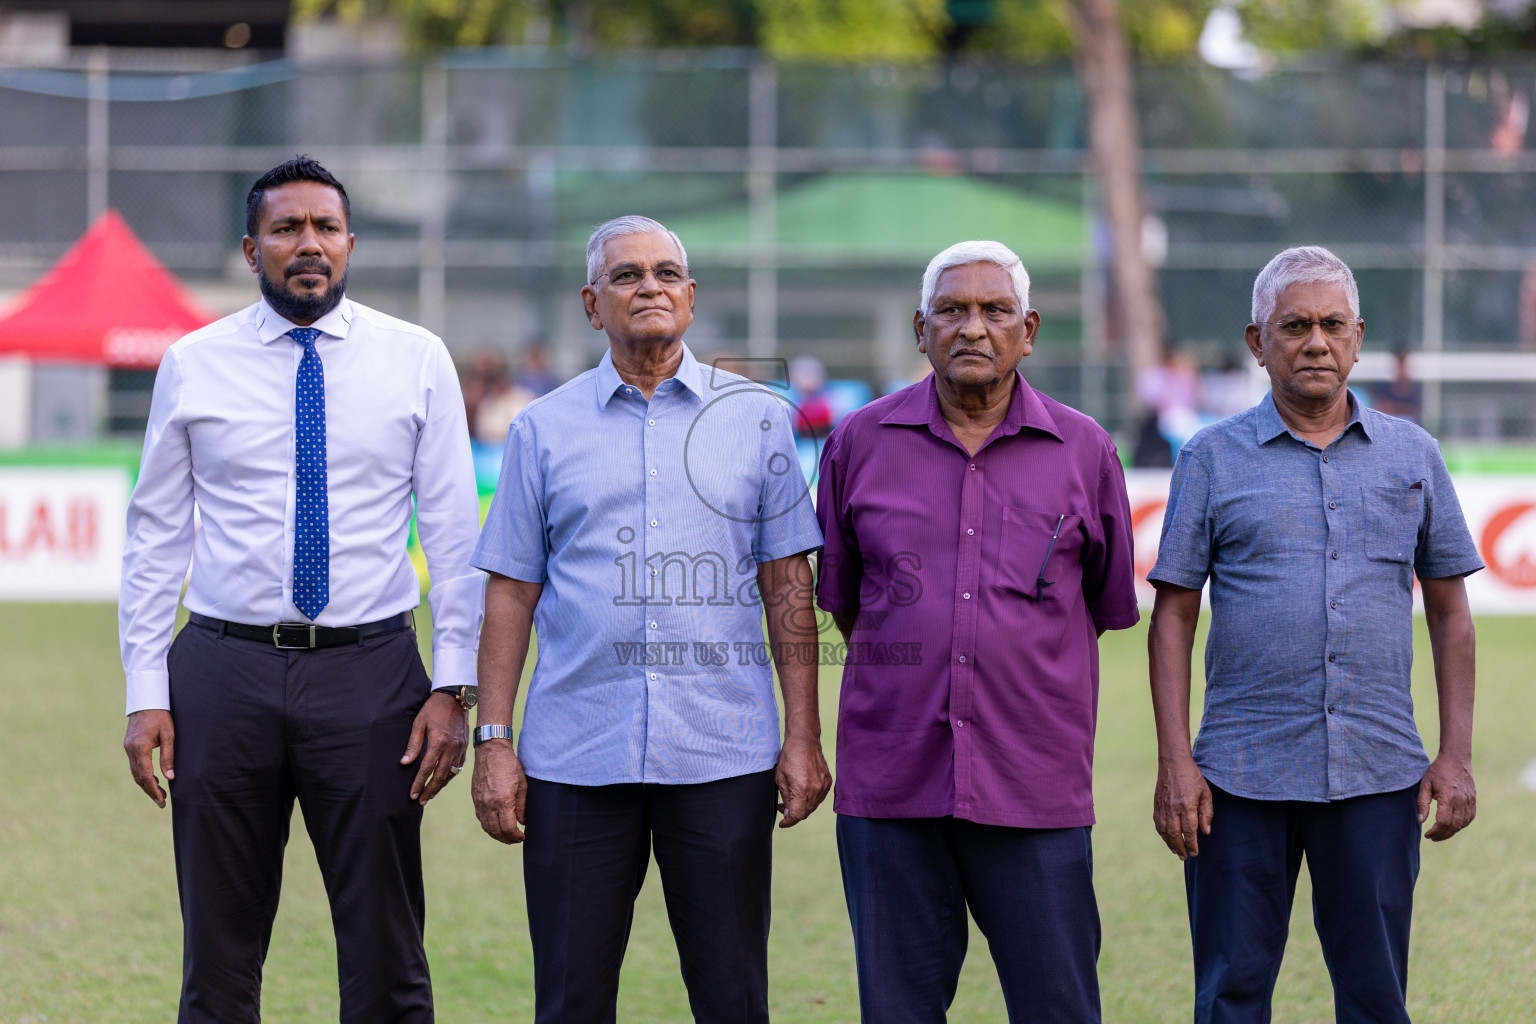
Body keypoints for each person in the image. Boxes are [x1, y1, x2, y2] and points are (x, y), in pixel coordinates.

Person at [119, 156, 484, 1024]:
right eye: (286, 229)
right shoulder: (193, 362)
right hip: (221, 672)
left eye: (325, 226)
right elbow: (155, 536)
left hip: (371, 673)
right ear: (252, 249)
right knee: (219, 953)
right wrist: (144, 693)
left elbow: (455, 536)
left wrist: (452, 686)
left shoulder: (417, 359)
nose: (307, 244)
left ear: (351, 243)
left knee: (387, 954)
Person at [469, 215, 830, 1024]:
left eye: (667, 273)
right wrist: (494, 741)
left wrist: (803, 736)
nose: (650, 288)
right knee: (569, 1000)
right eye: (627, 275)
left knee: (733, 998)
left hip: (723, 757)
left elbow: (788, 587)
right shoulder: (541, 428)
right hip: (574, 763)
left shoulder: (760, 419)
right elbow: (510, 593)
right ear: (592, 303)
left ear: (692, 298)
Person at [1147, 246, 1482, 1024]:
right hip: (1236, 779)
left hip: (1376, 771)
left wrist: (1456, 755)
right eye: (1293, 325)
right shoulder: (1210, 458)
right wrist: (1175, 765)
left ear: (1359, 338)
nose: (1316, 342)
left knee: (1374, 999)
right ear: (1257, 342)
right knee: (1230, 997)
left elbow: (1450, 612)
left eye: (1333, 325)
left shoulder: (1414, 456)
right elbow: (1173, 617)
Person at [815, 240, 1140, 1023]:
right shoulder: (858, 443)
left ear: (1028, 331)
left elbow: (1099, 605)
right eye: (952, 311)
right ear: (919, 328)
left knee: (1058, 1008)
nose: (973, 328)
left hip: (1035, 787)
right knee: (898, 1012)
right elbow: (848, 602)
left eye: (995, 311)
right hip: (892, 788)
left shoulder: (1085, 450)